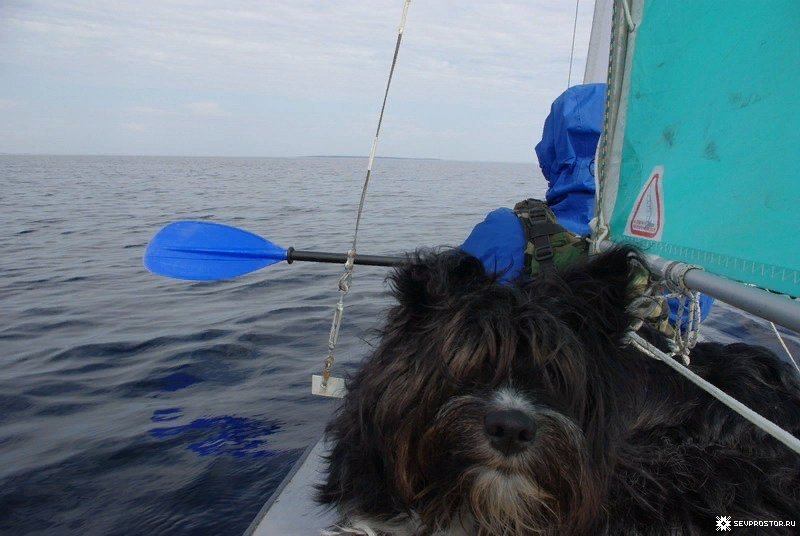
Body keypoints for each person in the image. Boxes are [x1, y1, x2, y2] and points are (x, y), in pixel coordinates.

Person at [460, 83, 713, 329]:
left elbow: (444, 300)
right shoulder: (678, 251)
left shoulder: (504, 230)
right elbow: (689, 319)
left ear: (550, 149)